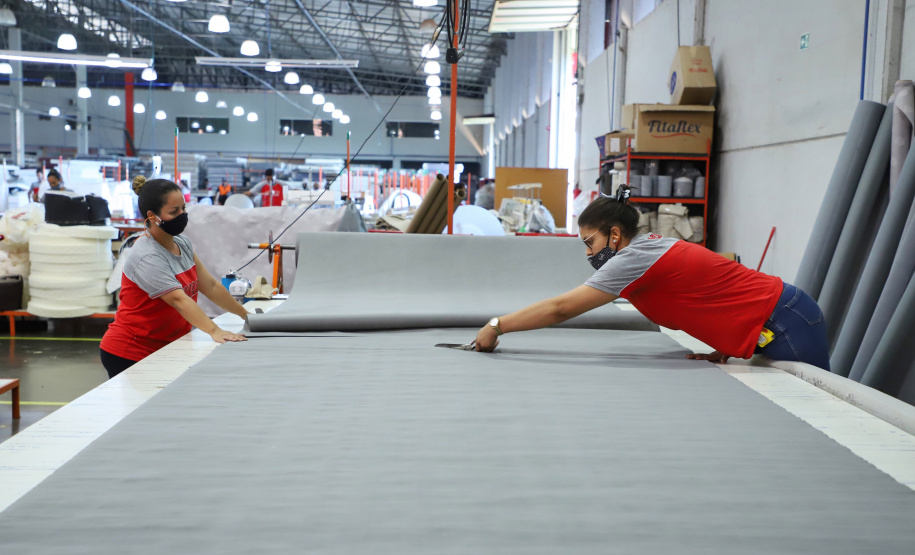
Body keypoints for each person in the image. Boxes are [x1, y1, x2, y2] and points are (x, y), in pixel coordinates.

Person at [473, 186, 831, 370]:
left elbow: (561, 308)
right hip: (776, 319)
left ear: (615, 235)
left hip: (787, 321)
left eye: (589, 242)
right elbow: (708, 290)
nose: (588, 253)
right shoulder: (646, 250)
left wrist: (497, 325)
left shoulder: (633, 259)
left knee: (817, 406)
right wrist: (727, 339)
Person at [99, 176, 249, 379]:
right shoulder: (148, 256)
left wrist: (246, 316)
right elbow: (178, 300)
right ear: (152, 216)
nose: (182, 215)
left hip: (168, 346)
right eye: (174, 211)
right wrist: (214, 331)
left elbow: (211, 286)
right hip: (132, 351)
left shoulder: (182, 243)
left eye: (183, 209)